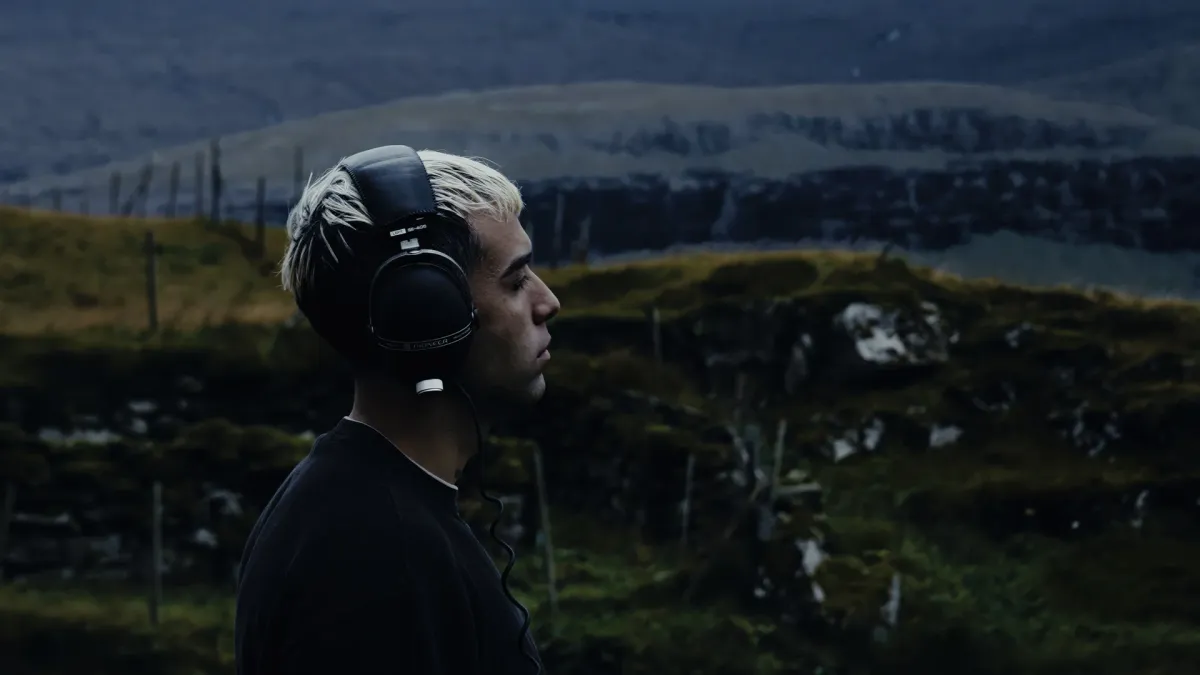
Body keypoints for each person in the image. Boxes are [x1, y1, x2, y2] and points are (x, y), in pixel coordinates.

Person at [234, 146, 559, 675]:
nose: (548, 302)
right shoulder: (375, 559)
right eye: (516, 280)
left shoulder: (357, 509)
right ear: (428, 313)